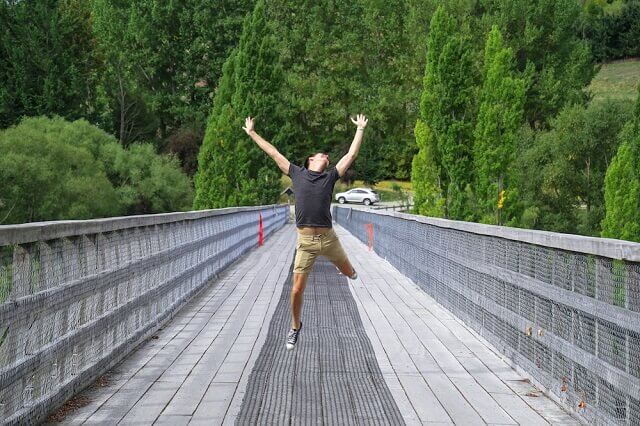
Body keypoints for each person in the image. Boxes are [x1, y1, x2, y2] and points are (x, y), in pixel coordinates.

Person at [243, 114, 368, 350]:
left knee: (351, 273)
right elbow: (273, 152)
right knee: (297, 288)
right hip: (306, 242)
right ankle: (295, 327)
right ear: (311, 159)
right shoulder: (297, 173)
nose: (327, 158)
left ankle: (345, 269)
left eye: (328, 157)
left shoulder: (330, 177)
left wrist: (360, 129)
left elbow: (350, 155)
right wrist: (251, 132)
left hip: (329, 240)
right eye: (323, 155)